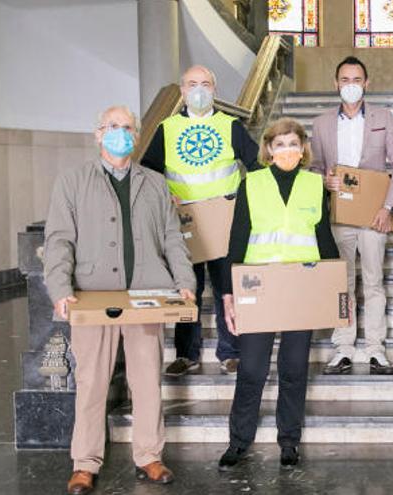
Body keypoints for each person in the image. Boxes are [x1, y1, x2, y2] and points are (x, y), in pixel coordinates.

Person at [44, 106, 197, 494]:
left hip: (147, 294)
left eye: (127, 128)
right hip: (93, 296)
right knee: (92, 381)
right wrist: (60, 289)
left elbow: (172, 237)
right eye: (113, 127)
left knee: (146, 379)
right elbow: (59, 240)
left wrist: (184, 281)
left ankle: (148, 455)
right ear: (98, 134)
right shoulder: (72, 181)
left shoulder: (155, 184)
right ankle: (85, 462)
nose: (120, 133)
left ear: (136, 135)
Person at [216, 118, 339, 470]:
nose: (287, 150)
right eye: (280, 144)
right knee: (252, 368)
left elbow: (324, 237)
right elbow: (237, 240)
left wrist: (334, 288)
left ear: (303, 150)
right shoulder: (251, 183)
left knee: (294, 367)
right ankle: (239, 441)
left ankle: (289, 441)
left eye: (293, 144)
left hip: (301, 286)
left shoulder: (315, 185)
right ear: (269, 149)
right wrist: (228, 293)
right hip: (260, 286)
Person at [142, 64, 260, 377]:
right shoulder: (167, 129)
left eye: (205, 83)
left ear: (214, 90)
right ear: (181, 91)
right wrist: (165, 196)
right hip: (183, 222)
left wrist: (243, 202)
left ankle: (231, 351)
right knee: (186, 288)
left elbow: (257, 166)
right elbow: (148, 172)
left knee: (227, 288)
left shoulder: (230, 125)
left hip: (224, 220)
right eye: (192, 84)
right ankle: (186, 354)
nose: (198, 89)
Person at [309, 56, 393, 375]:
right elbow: (312, 167)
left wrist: (389, 207)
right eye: (345, 80)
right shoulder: (322, 122)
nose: (350, 86)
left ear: (367, 83)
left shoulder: (384, 117)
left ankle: (376, 348)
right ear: (336, 84)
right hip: (339, 213)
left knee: (374, 282)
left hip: (374, 213)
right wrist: (323, 180)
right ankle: (343, 347)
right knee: (342, 282)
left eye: (356, 80)